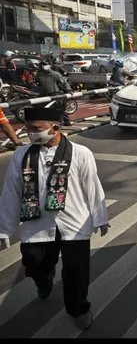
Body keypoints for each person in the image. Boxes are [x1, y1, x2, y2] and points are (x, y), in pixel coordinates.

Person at [0, 107, 109, 331]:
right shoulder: (22, 156)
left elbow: (93, 187)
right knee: (33, 262)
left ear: (55, 128)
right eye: (28, 128)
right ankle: (44, 279)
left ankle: (78, 309)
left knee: (76, 271)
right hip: (38, 223)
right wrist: (4, 229)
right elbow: (11, 192)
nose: (29, 133)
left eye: (35, 129)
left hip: (74, 221)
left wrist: (100, 217)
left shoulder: (80, 153)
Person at [35, 59, 72, 126]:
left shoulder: (55, 74)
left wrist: (68, 90)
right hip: (43, 95)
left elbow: (64, 83)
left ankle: (67, 122)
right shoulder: (39, 75)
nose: (45, 66)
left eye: (46, 64)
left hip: (54, 95)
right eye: (43, 65)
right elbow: (37, 83)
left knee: (59, 109)